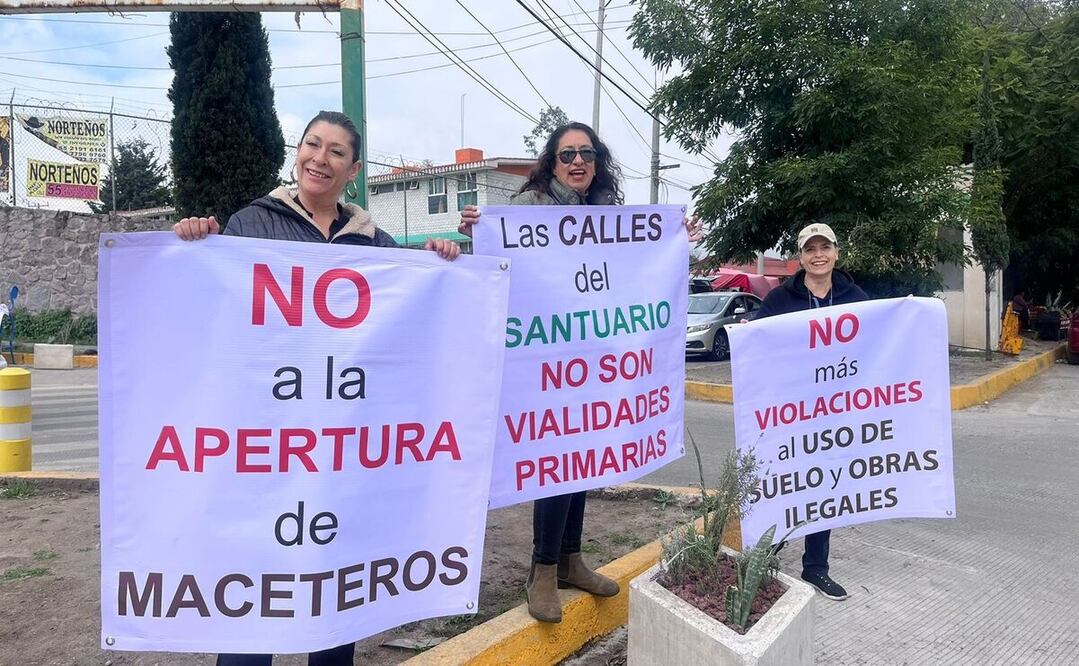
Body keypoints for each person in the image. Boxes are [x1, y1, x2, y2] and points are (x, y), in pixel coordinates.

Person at [173, 110, 459, 666]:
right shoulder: (250, 224)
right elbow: (212, 313)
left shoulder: (376, 243)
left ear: (352, 169)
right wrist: (191, 244)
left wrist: (439, 265)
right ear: (297, 152)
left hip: (341, 449)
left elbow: (404, 329)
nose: (319, 159)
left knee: (332, 592)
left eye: (335, 152)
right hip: (267, 442)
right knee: (255, 595)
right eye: (312, 145)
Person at [458, 121, 701, 624]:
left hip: (591, 366)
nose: (577, 161)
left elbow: (639, 268)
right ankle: (542, 569)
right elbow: (499, 262)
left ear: (596, 162)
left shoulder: (605, 215)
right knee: (556, 462)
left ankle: (570, 559)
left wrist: (678, 239)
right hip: (545, 366)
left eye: (586, 153)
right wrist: (480, 230)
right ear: (551, 162)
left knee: (584, 461)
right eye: (567, 153)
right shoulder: (527, 213)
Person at [754, 222, 868, 602]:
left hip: (836, 410)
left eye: (825, 248)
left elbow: (877, 340)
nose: (818, 255)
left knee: (826, 486)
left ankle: (816, 569)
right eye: (810, 249)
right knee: (784, 484)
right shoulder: (779, 299)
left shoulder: (856, 297)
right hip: (790, 411)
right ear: (800, 257)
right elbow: (760, 345)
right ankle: (765, 559)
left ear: (836, 253)